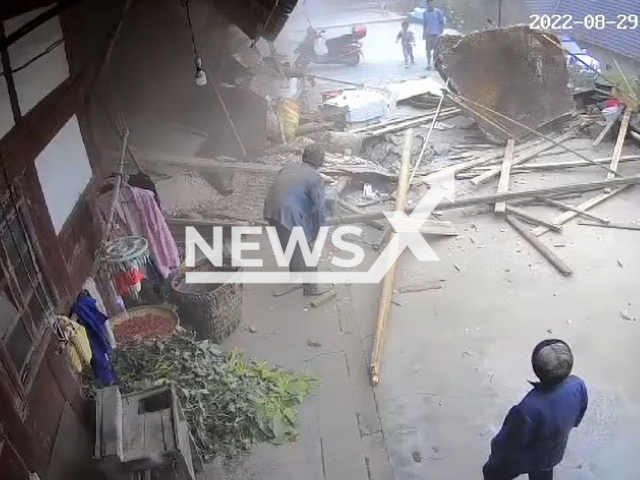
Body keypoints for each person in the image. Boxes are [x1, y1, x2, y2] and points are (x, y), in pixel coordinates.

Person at [483, 339, 588, 480]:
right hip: (552, 454)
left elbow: (507, 444)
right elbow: (578, 416)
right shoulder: (578, 384)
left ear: (536, 369)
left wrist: (495, 457)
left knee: (492, 474)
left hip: (522, 460)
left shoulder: (527, 410)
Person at [263, 144, 330, 296]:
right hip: (289, 212)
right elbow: (318, 209)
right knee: (308, 250)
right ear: (320, 161)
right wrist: (316, 233)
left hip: (271, 209)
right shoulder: (315, 178)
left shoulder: (288, 168)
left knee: (291, 246)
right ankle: (311, 288)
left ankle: (295, 277)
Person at [422, 0, 445, 69]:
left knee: (436, 50)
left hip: (436, 33)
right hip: (428, 34)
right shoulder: (425, 13)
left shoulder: (438, 11)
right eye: (428, 4)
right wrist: (423, 33)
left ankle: (436, 64)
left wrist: (441, 30)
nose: (430, 5)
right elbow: (424, 24)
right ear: (427, 4)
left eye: (431, 3)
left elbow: (441, 21)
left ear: (433, 4)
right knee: (428, 50)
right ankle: (428, 64)